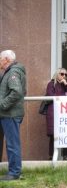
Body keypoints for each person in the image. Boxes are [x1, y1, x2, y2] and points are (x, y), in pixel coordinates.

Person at [0, 50, 26, 181]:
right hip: (9, 113)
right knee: (12, 143)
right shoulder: (10, 72)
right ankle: (15, 171)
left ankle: (14, 172)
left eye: (0, 59)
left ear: (6, 59)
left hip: (10, 113)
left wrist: (3, 104)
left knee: (12, 144)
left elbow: (16, 92)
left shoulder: (13, 73)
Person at [45, 68, 67, 160]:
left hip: (65, 113)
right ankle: (51, 156)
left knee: (65, 133)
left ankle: (66, 155)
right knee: (53, 135)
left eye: (66, 75)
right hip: (53, 112)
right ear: (57, 74)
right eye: (62, 74)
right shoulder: (51, 84)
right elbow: (50, 95)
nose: (64, 76)